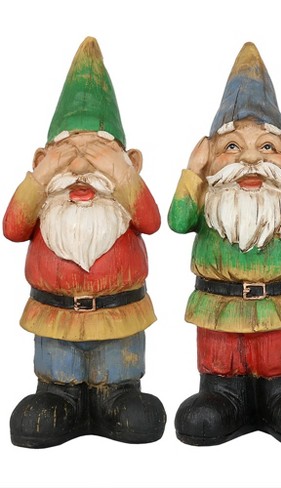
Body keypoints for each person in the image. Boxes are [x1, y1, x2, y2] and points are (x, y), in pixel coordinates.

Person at [168, 42, 281, 446]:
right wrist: (192, 172)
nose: (251, 160)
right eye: (231, 147)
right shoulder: (209, 201)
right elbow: (177, 222)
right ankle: (222, 396)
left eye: (267, 147)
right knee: (211, 401)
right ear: (209, 157)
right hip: (220, 315)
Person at [4, 37, 166, 448]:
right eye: (67, 152)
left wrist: (122, 175)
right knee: (54, 386)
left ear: (131, 162)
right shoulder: (45, 200)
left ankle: (119, 395)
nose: (80, 167)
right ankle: (59, 396)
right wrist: (42, 177)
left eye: (98, 152)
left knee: (128, 402)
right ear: (41, 160)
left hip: (119, 319)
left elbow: (151, 221)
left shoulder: (123, 201)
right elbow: (12, 228)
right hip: (55, 319)